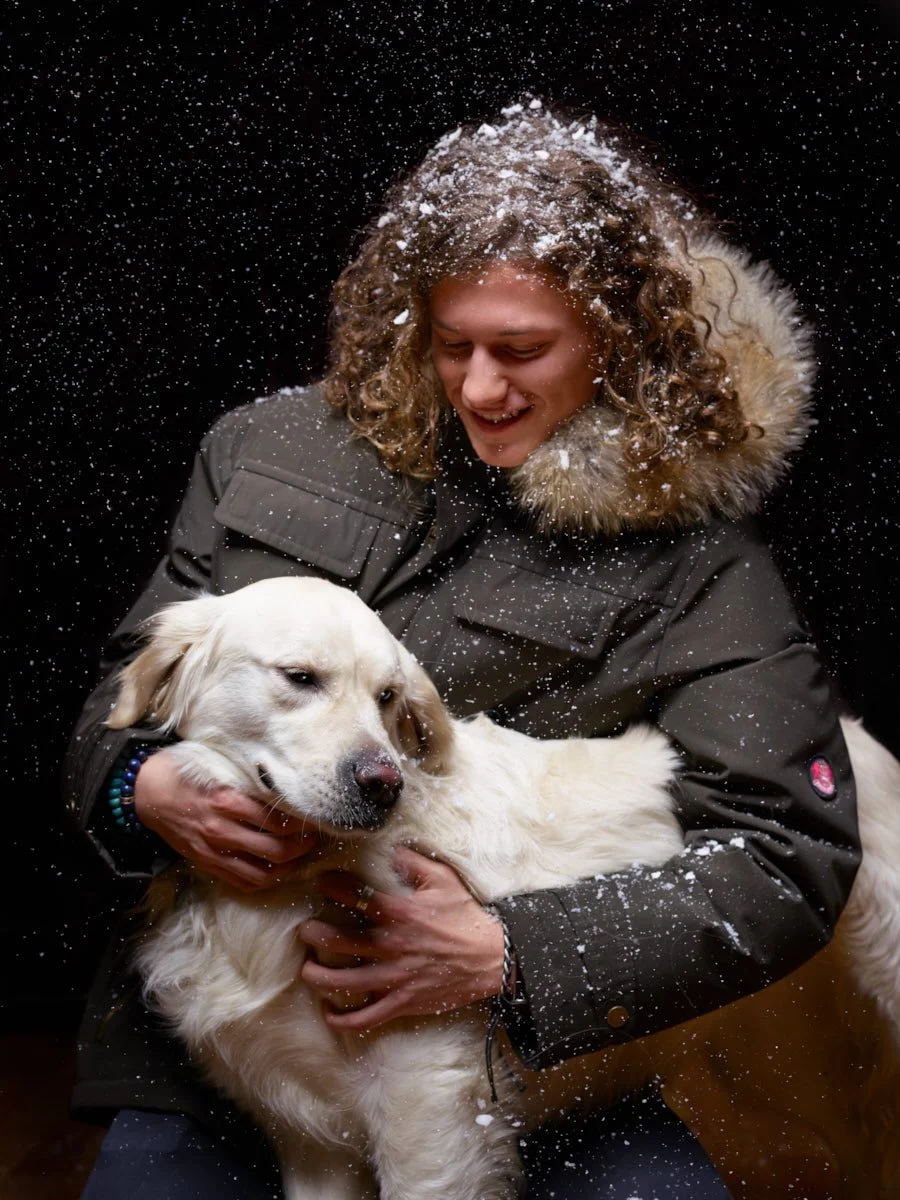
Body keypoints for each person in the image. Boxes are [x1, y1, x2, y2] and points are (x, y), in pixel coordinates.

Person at [66, 100, 859, 1199]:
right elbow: (115, 698)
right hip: (219, 1039)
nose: (481, 386)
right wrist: (139, 789)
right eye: (454, 346)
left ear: (619, 336)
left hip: (535, 1049)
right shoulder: (266, 445)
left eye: (523, 350)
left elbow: (789, 853)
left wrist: (513, 955)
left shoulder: (703, 566)